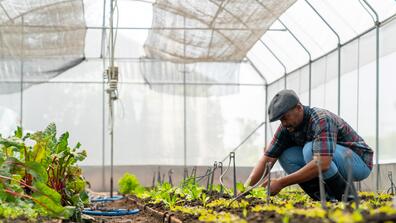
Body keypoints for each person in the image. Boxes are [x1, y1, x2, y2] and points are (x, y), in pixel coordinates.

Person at [245, 89, 373, 200]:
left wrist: (281, 183)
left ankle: (346, 195)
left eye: (285, 117)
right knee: (284, 155)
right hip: (331, 160)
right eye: (280, 120)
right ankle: (326, 197)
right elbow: (268, 158)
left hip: (359, 163)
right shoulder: (287, 128)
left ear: (299, 108)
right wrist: (246, 189)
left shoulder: (321, 119)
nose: (283, 123)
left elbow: (323, 163)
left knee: (310, 150)